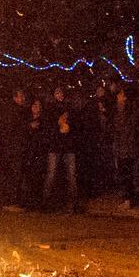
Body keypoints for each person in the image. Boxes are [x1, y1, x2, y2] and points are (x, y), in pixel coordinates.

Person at [42, 83, 82, 212]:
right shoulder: (50, 109)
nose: (60, 95)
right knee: (52, 174)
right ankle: (47, 201)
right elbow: (48, 127)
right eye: (57, 93)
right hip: (55, 146)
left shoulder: (70, 109)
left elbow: (75, 125)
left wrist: (68, 126)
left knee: (71, 175)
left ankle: (71, 203)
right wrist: (57, 125)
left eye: (61, 92)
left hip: (68, 146)